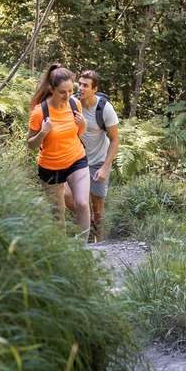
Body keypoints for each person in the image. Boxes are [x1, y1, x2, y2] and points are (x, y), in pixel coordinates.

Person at [27, 65, 91, 242]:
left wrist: (83, 125)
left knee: (82, 204)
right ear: (51, 89)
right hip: (50, 167)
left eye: (71, 90)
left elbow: (76, 134)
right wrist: (43, 132)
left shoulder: (74, 103)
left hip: (76, 158)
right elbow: (31, 145)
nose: (68, 95)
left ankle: (82, 250)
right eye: (62, 92)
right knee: (58, 215)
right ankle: (63, 255)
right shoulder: (39, 112)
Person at [63, 70, 119, 242]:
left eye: (85, 85)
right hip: (76, 160)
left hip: (98, 162)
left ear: (95, 89)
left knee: (97, 206)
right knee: (67, 196)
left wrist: (104, 168)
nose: (80, 88)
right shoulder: (71, 104)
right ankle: (86, 225)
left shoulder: (105, 109)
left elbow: (115, 140)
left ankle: (99, 241)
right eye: (79, 84)